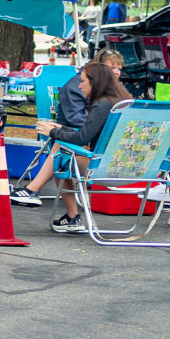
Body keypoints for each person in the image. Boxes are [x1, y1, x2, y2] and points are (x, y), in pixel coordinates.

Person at [24, 64, 129, 233]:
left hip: (104, 169)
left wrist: (53, 132)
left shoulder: (102, 103)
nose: (79, 86)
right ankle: (71, 218)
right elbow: (88, 134)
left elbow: (82, 138)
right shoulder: (122, 100)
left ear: (95, 83)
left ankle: (31, 190)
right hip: (133, 169)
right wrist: (60, 129)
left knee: (60, 152)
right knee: (61, 156)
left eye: (82, 81)